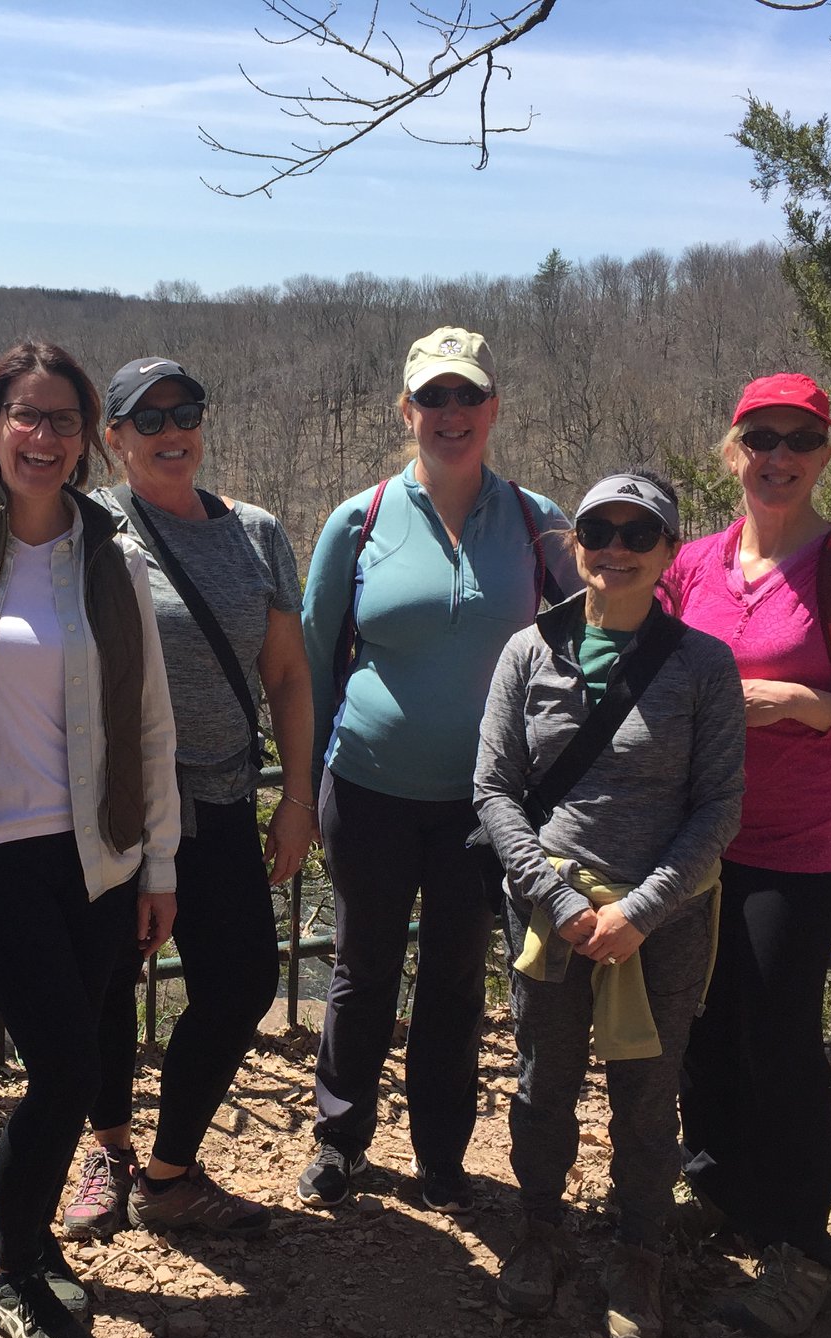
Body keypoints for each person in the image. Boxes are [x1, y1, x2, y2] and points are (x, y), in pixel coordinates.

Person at [0, 340, 180, 1338]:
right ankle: (8, 1265)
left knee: (76, 1062)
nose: (43, 436)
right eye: (24, 415)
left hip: (96, 859)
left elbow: (150, 724)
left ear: (85, 442)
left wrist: (159, 864)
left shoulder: (113, 563)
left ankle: (25, 1249)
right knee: (68, 1065)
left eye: (63, 420)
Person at [663, 373, 831, 1338]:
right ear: (734, 450)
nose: (779, 457)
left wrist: (804, 706)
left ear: (824, 456)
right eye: (761, 439)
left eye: (800, 441)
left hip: (798, 843)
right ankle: (717, 1189)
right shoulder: (695, 563)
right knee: (701, 1023)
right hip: (697, 835)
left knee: (779, 1039)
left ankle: (801, 1247)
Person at [296, 325, 574, 1212]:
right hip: (367, 787)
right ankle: (341, 1138)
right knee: (362, 966)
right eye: (434, 397)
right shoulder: (360, 520)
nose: (452, 413)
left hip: (484, 803)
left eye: (469, 396)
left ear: (493, 408)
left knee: (455, 979)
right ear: (406, 410)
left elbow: (592, 639)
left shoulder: (536, 522)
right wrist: (302, 788)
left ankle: (441, 1154)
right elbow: (313, 660)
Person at [473, 470, 744, 1338]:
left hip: (662, 923)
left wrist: (643, 911)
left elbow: (719, 806)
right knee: (543, 1083)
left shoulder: (702, 666)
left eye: (639, 534)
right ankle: (539, 1230)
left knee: (648, 1097)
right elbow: (495, 789)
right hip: (550, 914)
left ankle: (639, 1251)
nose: (616, 550)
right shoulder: (529, 653)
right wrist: (557, 901)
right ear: (575, 544)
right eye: (599, 532)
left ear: (669, 551)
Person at [58, 358, 314, 1243]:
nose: (173, 431)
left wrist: (297, 795)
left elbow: (288, 674)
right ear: (113, 438)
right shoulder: (87, 529)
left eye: (187, 412)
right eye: (149, 418)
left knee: (240, 985)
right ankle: (108, 1151)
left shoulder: (255, 534)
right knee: (105, 987)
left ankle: (167, 1174)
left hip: (221, 799)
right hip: (113, 806)